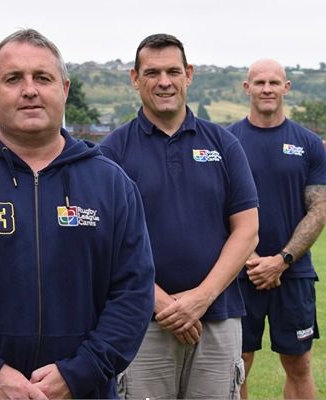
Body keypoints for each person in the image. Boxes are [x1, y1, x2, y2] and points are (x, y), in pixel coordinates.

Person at [0, 29, 155, 399]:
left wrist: (80, 372)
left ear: (64, 89)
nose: (29, 89)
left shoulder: (111, 183)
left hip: (81, 391)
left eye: (42, 78)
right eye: (14, 78)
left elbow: (133, 292)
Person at [100, 33, 259, 399]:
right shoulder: (112, 152)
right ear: (134, 78)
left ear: (189, 74)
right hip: (139, 323)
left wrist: (201, 298)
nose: (164, 82)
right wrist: (159, 303)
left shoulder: (224, 144)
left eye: (173, 71)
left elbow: (247, 231)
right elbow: (102, 242)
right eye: (152, 72)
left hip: (217, 317)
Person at [228, 58, 326, 399]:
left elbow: (319, 208)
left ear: (286, 87)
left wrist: (281, 260)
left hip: (293, 273)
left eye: (274, 82)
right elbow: (216, 207)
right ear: (246, 88)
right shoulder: (227, 142)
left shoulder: (309, 144)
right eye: (259, 82)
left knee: (298, 365)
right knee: (235, 365)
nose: (267, 89)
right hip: (239, 274)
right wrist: (250, 258)